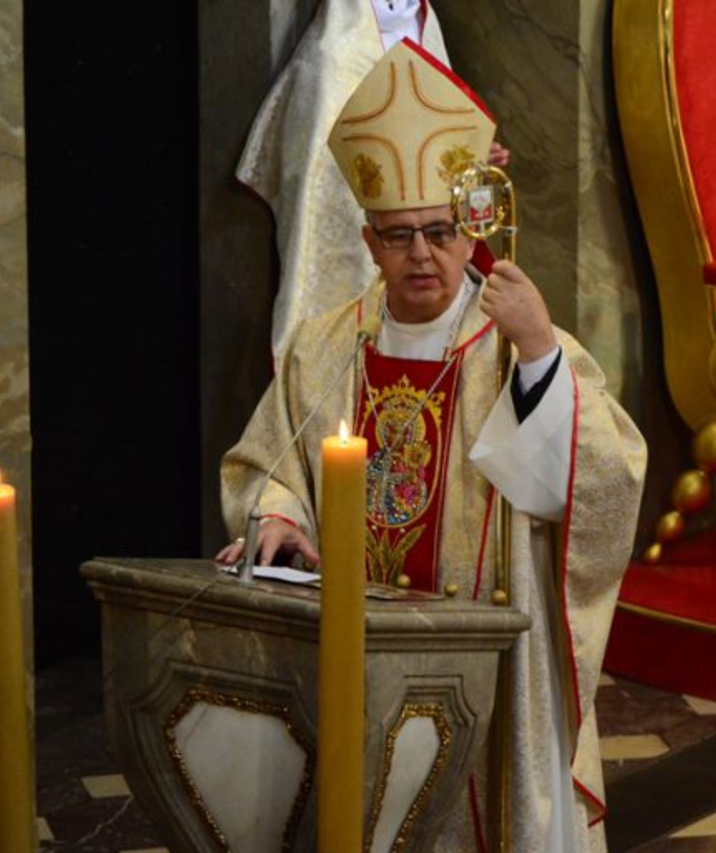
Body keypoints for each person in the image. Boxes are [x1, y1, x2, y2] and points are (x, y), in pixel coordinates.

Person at [218, 40, 646, 853]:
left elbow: (607, 481)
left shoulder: (512, 339)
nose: (422, 253)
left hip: (487, 672)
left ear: (469, 227)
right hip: (354, 659)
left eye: (441, 232)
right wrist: (278, 516)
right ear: (369, 241)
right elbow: (266, 462)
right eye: (399, 235)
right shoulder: (324, 346)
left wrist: (539, 357)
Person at [238, 0, 509, 360]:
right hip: (373, 246)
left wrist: (465, 158)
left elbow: (426, 143)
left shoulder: (426, 29)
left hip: (427, 263)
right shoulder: (331, 58)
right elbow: (320, 177)